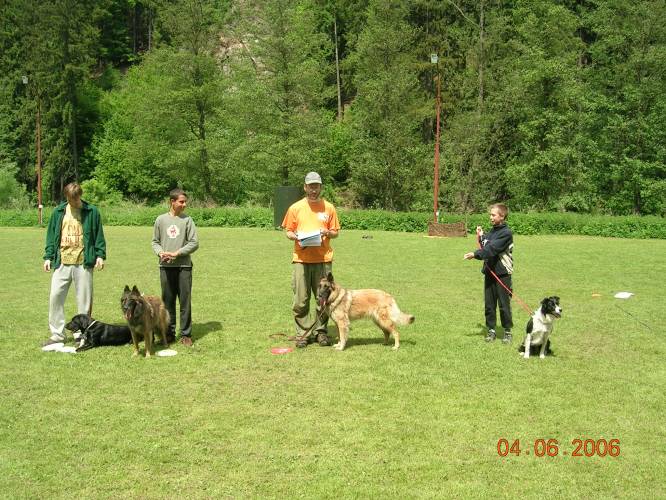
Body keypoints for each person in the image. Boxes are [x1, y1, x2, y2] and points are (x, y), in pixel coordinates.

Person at [42, 182, 106, 346]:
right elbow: (51, 236)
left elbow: (98, 235)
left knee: (84, 301)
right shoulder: (58, 212)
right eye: (72, 199)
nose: (75, 202)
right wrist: (48, 257)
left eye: (77, 199)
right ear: (67, 197)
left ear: (80, 196)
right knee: (55, 297)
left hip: (84, 262)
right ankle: (57, 335)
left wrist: (100, 255)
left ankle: (82, 335)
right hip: (61, 261)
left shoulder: (92, 211)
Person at [282, 172, 340, 348]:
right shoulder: (295, 208)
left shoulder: (328, 208)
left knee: (323, 299)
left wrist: (328, 233)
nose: (314, 189)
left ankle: (321, 332)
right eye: (310, 186)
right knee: (300, 299)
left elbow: (335, 232)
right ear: (305, 187)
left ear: (321, 187)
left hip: (323, 259)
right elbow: (288, 231)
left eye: (317, 186)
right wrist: (295, 236)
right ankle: (303, 334)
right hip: (301, 259)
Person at [152, 188, 199, 346]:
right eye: (181, 201)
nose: (184, 204)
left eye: (185, 201)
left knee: (185, 302)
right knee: (168, 302)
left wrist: (177, 253)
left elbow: (194, 243)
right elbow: (155, 242)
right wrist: (160, 253)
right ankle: (169, 334)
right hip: (165, 267)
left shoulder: (187, 220)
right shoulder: (160, 220)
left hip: (184, 267)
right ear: (172, 202)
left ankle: (186, 334)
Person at [464, 203, 514, 343]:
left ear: (502, 216)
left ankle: (507, 332)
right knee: (489, 304)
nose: (490, 217)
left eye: (493, 215)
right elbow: (486, 242)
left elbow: (491, 249)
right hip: (489, 273)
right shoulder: (492, 232)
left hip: (502, 274)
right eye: (490, 215)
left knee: (504, 305)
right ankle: (491, 330)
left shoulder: (506, 233)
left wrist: (475, 254)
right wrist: (481, 236)